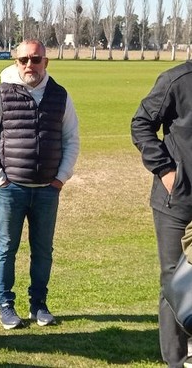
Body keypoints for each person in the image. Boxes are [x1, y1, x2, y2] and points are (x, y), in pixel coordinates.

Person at [0, 39, 79, 330]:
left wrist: (60, 178)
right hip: (12, 190)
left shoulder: (60, 95)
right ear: (16, 62)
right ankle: (5, 305)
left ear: (46, 62)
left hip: (47, 190)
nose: (29, 65)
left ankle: (38, 304)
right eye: (24, 60)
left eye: (35, 59)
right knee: (6, 248)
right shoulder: (0, 94)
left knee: (43, 251)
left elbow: (71, 139)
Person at [131, 61, 192, 368]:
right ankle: (177, 361)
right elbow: (141, 124)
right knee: (175, 279)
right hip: (178, 201)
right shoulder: (177, 80)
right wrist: (167, 171)